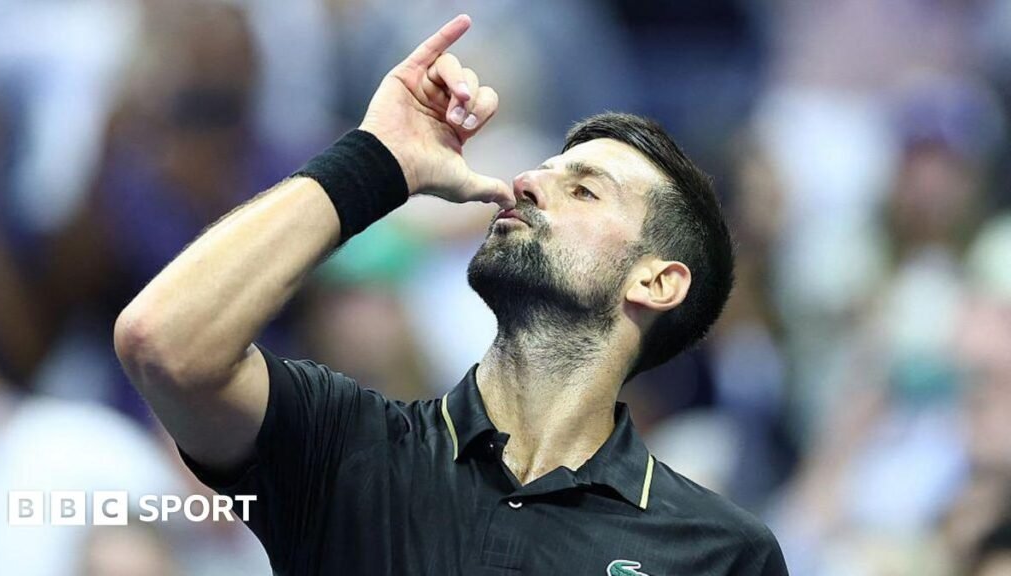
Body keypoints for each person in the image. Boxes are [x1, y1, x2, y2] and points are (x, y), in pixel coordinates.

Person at [114, 14, 788, 575]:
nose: (524, 183)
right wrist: (377, 160)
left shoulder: (720, 552)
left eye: (582, 190)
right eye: (539, 172)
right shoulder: (350, 445)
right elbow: (164, 340)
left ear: (657, 281)